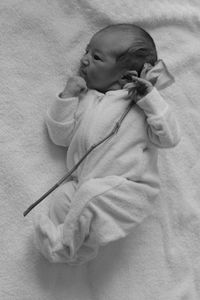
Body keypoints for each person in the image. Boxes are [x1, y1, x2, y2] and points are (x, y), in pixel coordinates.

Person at [34, 24, 181, 265]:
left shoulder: (141, 106)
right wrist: (67, 96)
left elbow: (170, 138)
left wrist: (149, 99)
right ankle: (75, 250)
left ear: (126, 76)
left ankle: (63, 246)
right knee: (64, 197)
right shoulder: (87, 100)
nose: (83, 60)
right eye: (86, 51)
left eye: (96, 57)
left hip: (129, 190)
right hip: (84, 184)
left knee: (89, 195)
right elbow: (60, 137)